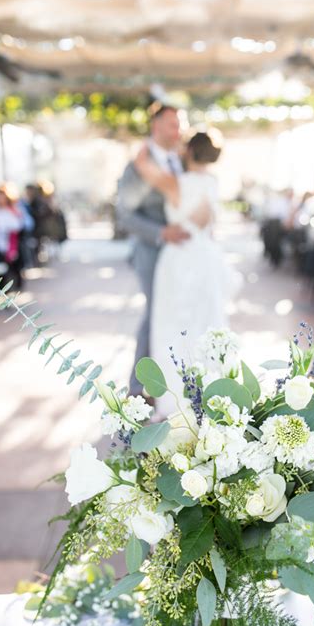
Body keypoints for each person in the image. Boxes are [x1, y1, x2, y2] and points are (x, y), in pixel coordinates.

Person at [134, 129, 232, 416]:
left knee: (171, 327)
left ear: (188, 151)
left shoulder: (176, 183)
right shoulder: (212, 182)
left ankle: (173, 400)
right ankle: (210, 396)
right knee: (206, 323)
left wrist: (164, 141)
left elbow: (142, 164)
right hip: (205, 258)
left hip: (179, 259)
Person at [118, 104, 190, 399]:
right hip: (151, 252)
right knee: (154, 314)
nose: (178, 131)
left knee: (179, 314)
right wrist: (161, 233)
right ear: (156, 126)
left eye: (180, 124)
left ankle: (174, 379)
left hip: (183, 253)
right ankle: (137, 387)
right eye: (173, 124)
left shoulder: (181, 162)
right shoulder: (137, 166)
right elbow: (125, 215)